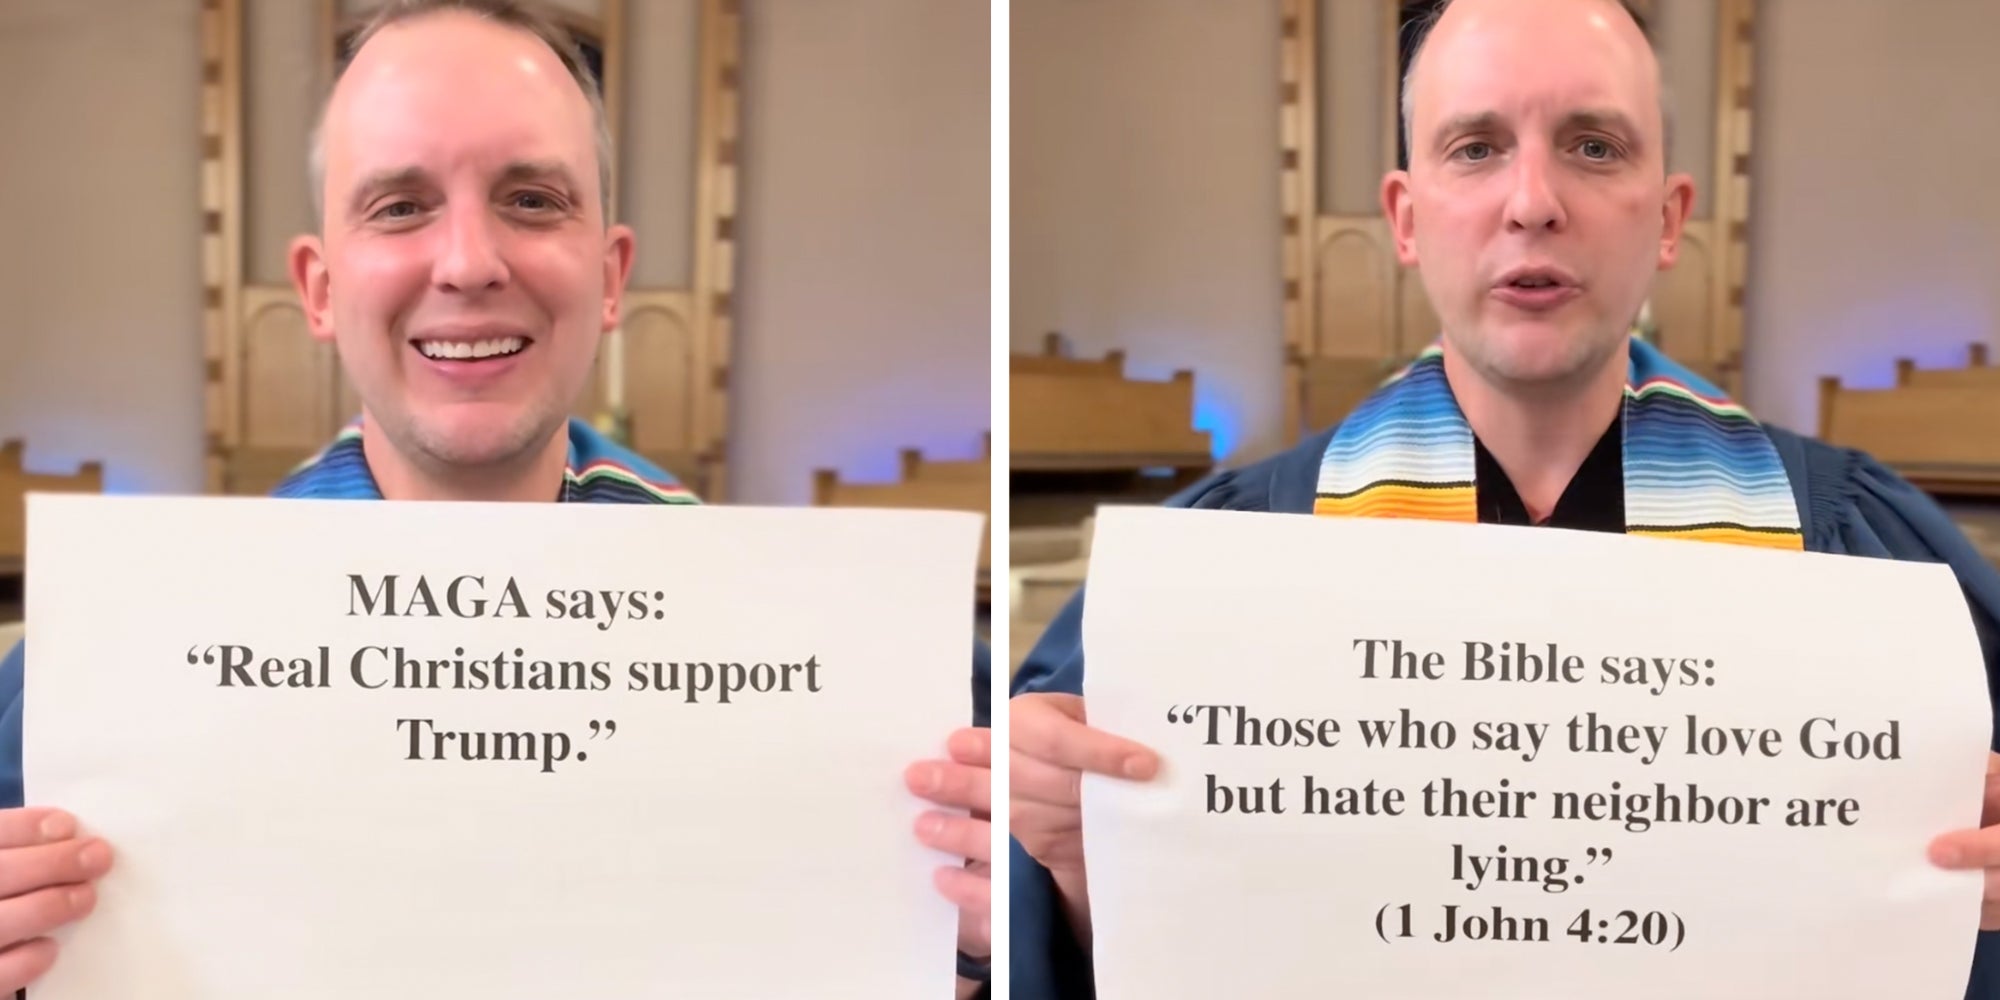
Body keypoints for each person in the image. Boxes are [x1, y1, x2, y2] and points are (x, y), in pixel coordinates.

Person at [1007, 0, 2000, 996]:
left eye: (1593, 145)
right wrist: (1079, 868)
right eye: (1475, 147)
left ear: (1666, 219)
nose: (1531, 201)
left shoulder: (1859, 556)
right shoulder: (1215, 569)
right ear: (1404, 217)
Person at [0, 2, 990, 996]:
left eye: (529, 199)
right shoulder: (102, 674)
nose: (469, 262)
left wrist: (1005, 932)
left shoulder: (883, 669)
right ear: (318, 287)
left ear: (610, 279)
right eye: (398, 206)